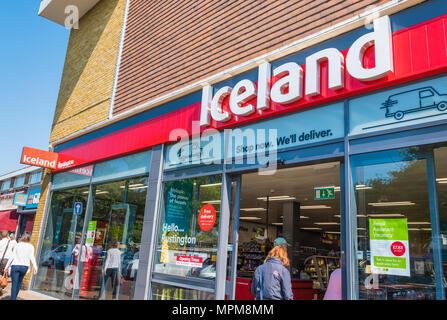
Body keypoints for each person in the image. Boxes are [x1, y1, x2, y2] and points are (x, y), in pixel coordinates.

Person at [5, 232, 38, 300]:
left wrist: (6, 267)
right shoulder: (31, 246)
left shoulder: (17, 245)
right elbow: (32, 257)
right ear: (29, 239)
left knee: (14, 284)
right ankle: (14, 297)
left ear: (22, 238)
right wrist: (35, 267)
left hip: (15, 266)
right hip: (24, 267)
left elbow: (12, 256)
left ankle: (13, 298)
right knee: (19, 283)